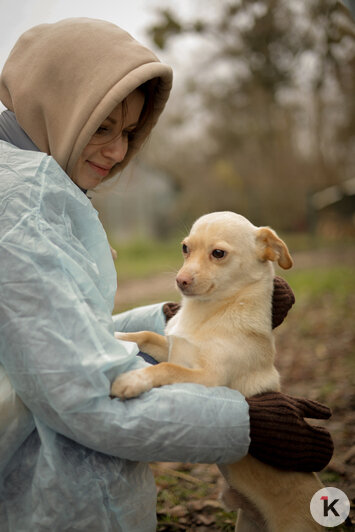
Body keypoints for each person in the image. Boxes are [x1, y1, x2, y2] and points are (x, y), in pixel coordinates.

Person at [0, 18, 333, 532]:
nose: (117, 152)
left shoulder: (41, 191)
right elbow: (83, 396)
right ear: (55, 107)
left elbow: (53, 342)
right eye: (102, 127)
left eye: (129, 131)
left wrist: (173, 317)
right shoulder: (19, 212)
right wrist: (245, 422)